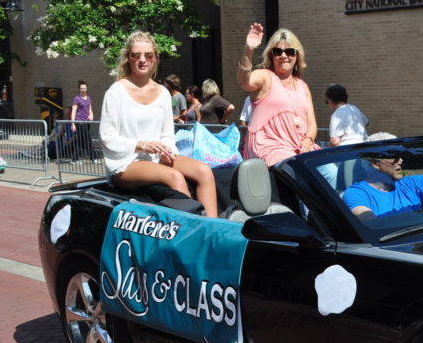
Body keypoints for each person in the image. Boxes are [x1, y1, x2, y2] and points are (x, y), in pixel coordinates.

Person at [99, 31, 218, 218]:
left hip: (156, 159)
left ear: (155, 58)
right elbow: (107, 136)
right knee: (173, 176)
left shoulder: (162, 92)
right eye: (136, 55)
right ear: (128, 59)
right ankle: (195, 230)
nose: (142, 60)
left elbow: (167, 134)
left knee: (204, 171)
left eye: (148, 55)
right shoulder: (116, 91)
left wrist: (168, 151)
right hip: (127, 163)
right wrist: (141, 144)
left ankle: (214, 230)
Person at [237, 22, 319, 166]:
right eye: (277, 52)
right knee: (294, 168)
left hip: (300, 147)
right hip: (270, 148)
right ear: (271, 56)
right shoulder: (265, 77)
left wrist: (308, 140)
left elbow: (312, 124)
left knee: (331, 172)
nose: (283, 56)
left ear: (297, 56)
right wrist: (249, 49)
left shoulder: (303, 86)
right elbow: (244, 82)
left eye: (289, 51)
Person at [343, 151, 423, 219]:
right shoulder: (356, 194)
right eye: (393, 157)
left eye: (400, 156)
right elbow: (370, 224)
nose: (400, 161)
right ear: (375, 164)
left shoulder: (409, 184)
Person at [67, 80, 94, 161]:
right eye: (82, 88)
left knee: (80, 141)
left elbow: (90, 109)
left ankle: (74, 159)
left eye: (85, 88)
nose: (83, 90)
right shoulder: (77, 99)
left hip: (87, 122)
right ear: (79, 89)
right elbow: (73, 111)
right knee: (88, 139)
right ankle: (93, 158)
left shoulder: (88, 98)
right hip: (80, 122)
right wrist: (73, 124)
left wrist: (91, 115)